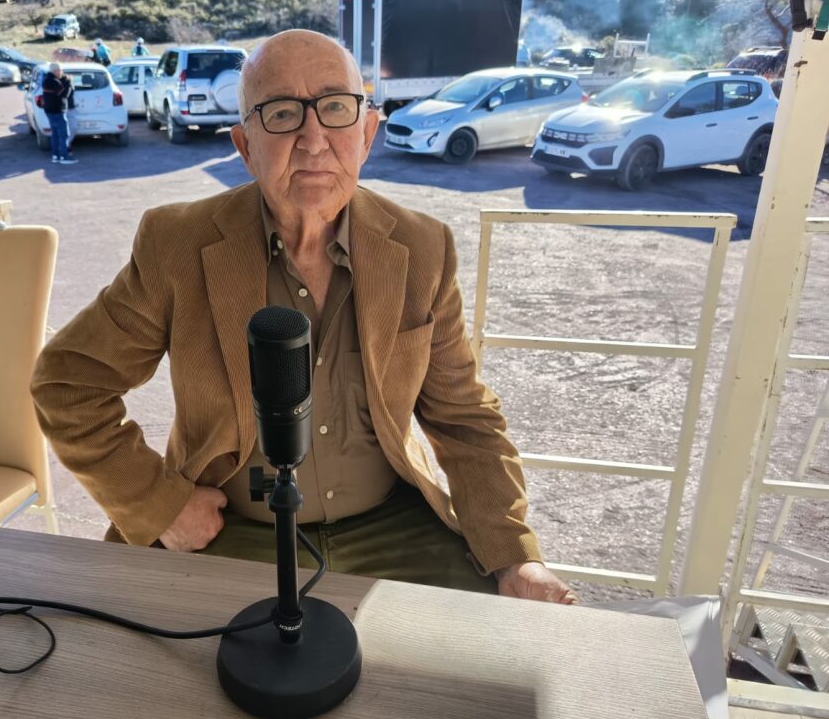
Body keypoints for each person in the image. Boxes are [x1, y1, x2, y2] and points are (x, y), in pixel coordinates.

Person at [30, 30, 574, 603]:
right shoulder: (178, 244)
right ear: (245, 146)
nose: (314, 140)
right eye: (283, 113)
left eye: (336, 108)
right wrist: (159, 504)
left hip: (396, 528)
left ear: (367, 134)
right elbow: (68, 383)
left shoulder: (422, 248)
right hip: (233, 530)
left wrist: (515, 556)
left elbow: (464, 418)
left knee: (481, 648)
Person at [40, 62, 77, 164]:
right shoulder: (54, 81)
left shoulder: (47, 79)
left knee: (55, 135)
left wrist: (64, 80)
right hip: (57, 111)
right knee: (64, 135)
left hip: (50, 111)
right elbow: (64, 95)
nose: (62, 72)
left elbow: (59, 89)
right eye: (61, 71)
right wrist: (69, 82)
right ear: (56, 71)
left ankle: (55, 156)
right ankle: (64, 157)